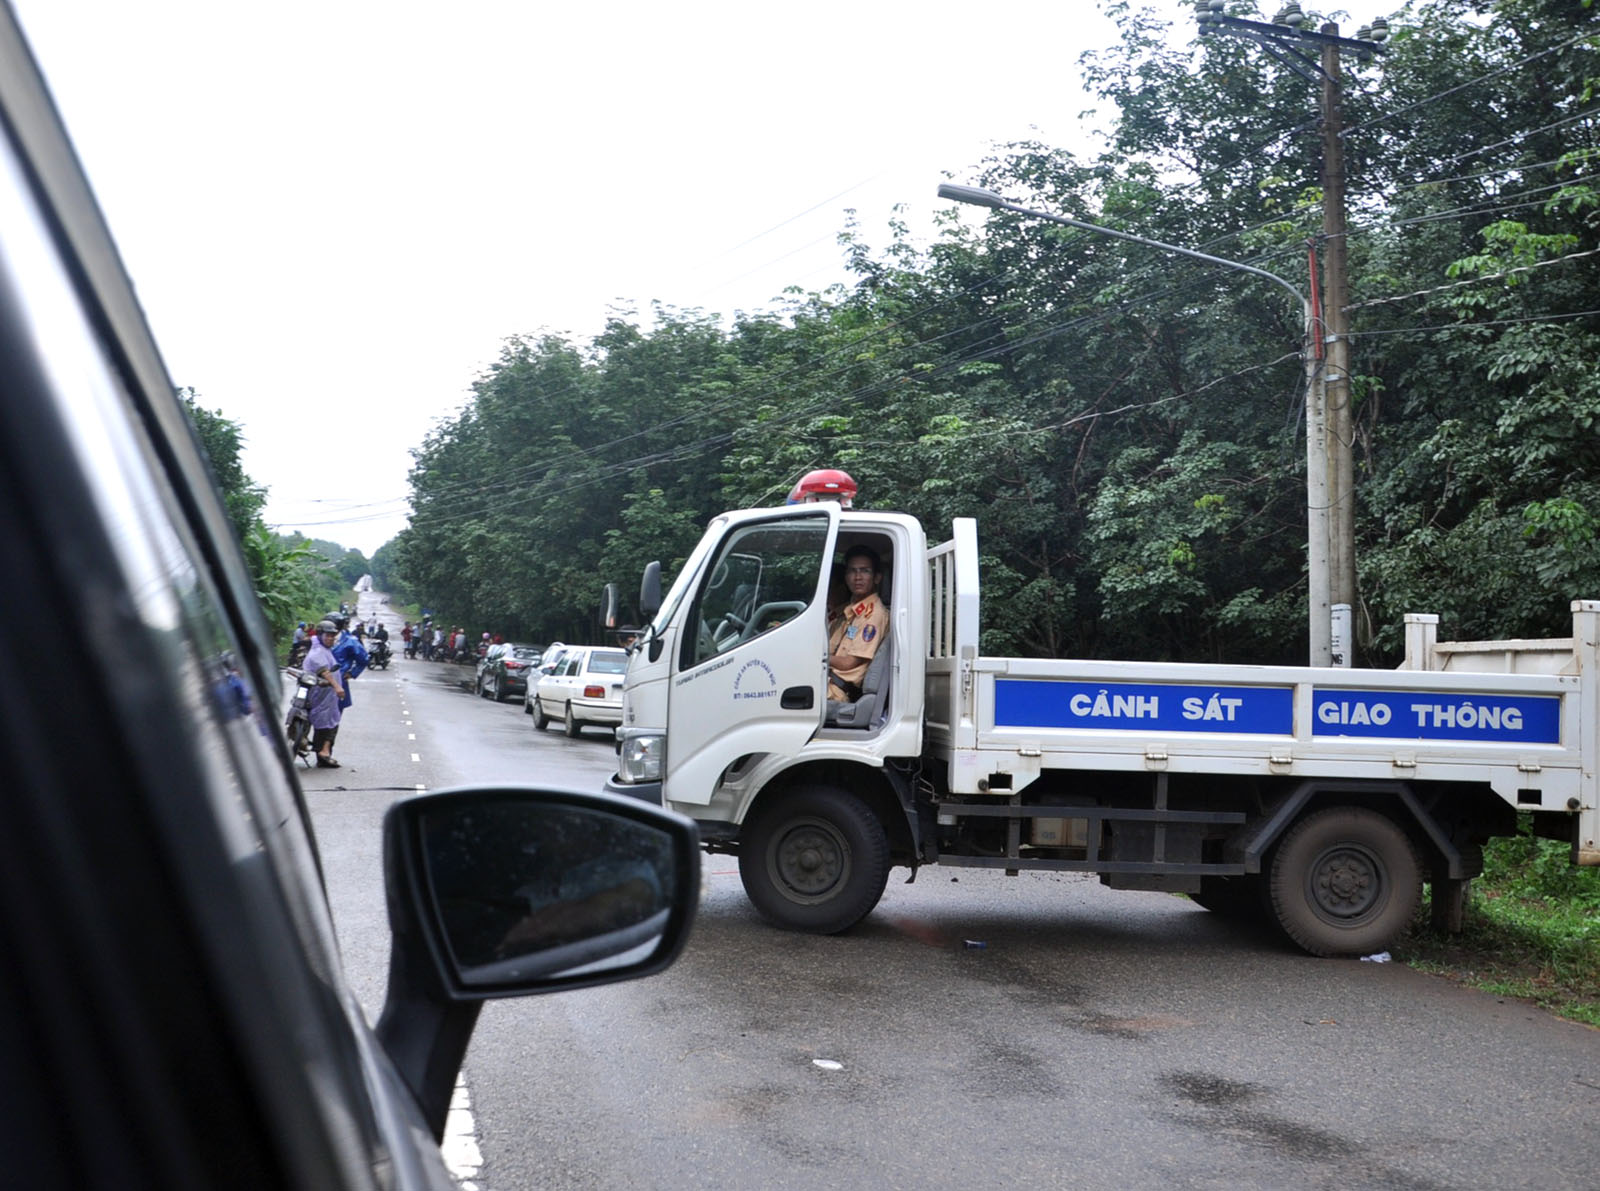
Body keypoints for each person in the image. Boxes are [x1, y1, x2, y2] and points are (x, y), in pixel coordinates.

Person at [826, 546, 888, 702]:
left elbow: (848, 663)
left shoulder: (873, 615)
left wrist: (813, 657)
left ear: (877, 578)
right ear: (846, 577)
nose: (857, 577)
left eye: (865, 571)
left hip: (837, 692)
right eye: (852, 571)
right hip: (825, 681)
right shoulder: (850, 611)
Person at [303, 619, 347, 767]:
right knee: (325, 722)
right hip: (319, 693)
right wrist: (337, 687)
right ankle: (322, 752)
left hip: (327, 695)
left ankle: (324, 751)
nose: (330, 638)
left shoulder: (325, 649)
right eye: (327, 636)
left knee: (331, 720)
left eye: (332, 636)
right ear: (320, 635)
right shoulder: (317, 651)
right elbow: (324, 671)